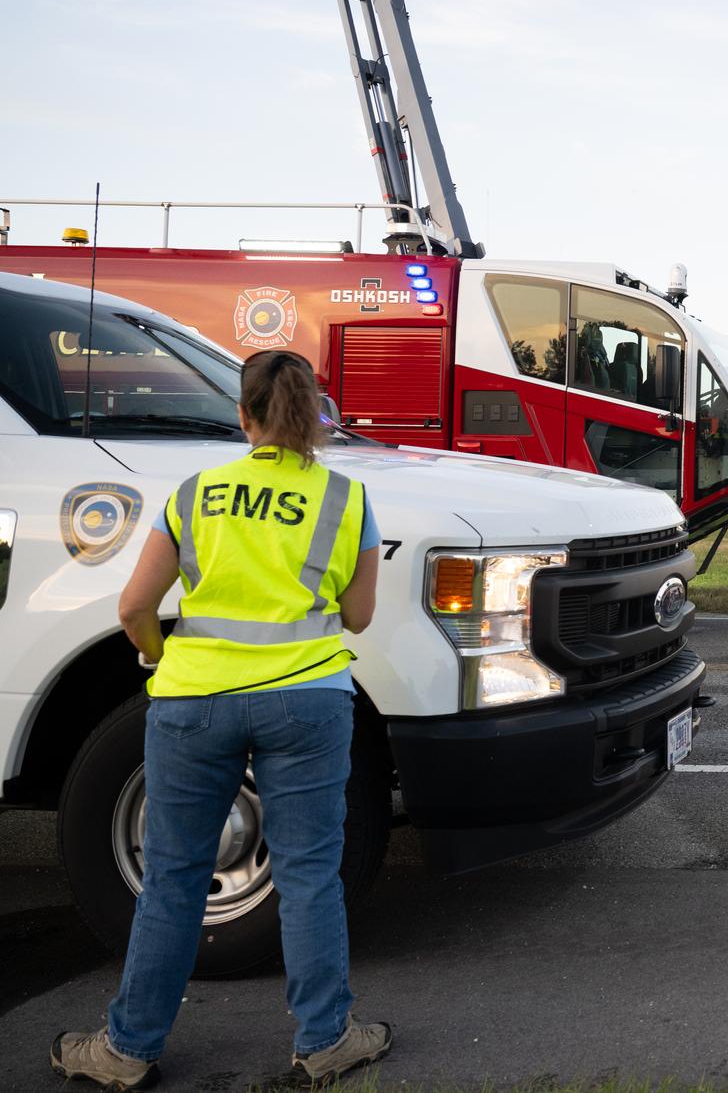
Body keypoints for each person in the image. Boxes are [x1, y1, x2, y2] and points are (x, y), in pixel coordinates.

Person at [52, 351, 392, 1090]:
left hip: (192, 701)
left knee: (172, 878)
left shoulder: (195, 493)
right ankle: (326, 1039)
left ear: (243, 415)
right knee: (307, 874)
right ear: (315, 414)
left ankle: (127, 1049)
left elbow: (134, 609)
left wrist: (156, 659)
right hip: (308, 702)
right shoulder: (347, 497)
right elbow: (359, 617)